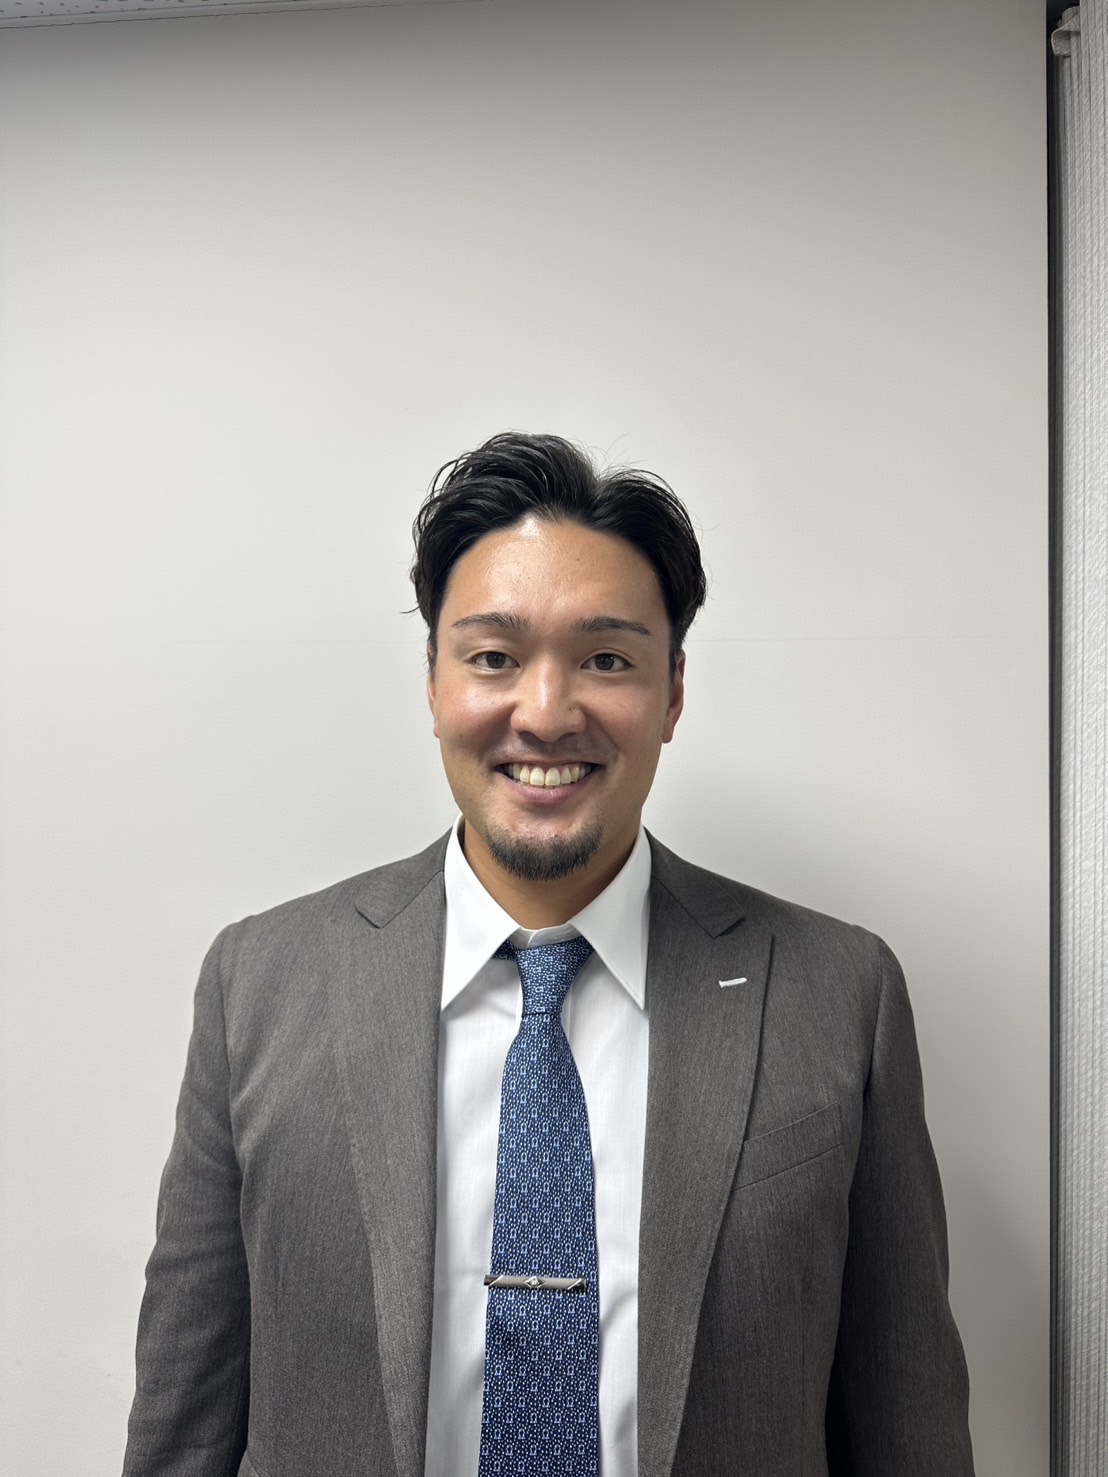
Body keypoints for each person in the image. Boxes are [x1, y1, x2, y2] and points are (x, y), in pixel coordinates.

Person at [123, 431, 974, 1477]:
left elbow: (906, 1424)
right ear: (433, 680)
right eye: (493, 656)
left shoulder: (837, 994)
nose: (544, 712)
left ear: (671, 691)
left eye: (606, 659)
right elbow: (186, 1419)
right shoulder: (260, 982)